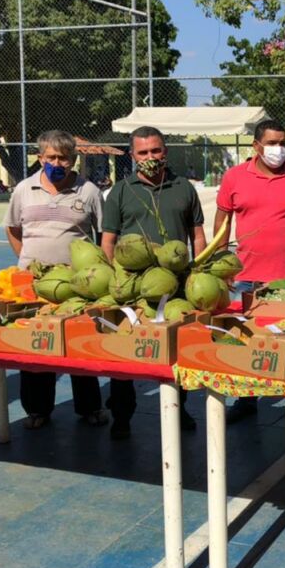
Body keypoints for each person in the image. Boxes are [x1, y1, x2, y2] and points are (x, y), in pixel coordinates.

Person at [102, 126, 205, 439]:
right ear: (132, 155)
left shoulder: (183, 188)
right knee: (123, 353)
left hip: (174, 285)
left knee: (176, 350)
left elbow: (197, 235)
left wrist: (199, 271)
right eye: (143, 152)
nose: (150, 157)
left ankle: (179, 406)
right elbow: (108, 241)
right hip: (133, 286)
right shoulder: (120, 190)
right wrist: (115, 279)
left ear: (166, 152)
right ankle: (121, 415)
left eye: (156, 151)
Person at [4, 130, 109, 431]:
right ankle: (37, 410)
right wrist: (25, 258)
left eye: (63, 157)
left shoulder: (88, 191)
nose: (56, 162)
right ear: (40, 157)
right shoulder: (24, 189)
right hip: (32, 283)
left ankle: (89, 407)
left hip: (77, 283)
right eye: (50, 157)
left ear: (73, 159)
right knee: (33, 346)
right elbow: (12, 228)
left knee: (79, 344)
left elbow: (103, 235)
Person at [214, 119, 285, 423]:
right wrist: (220, 264)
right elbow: (222, 221)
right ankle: (246, 400)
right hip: (245, 277)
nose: (278, 149)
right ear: (256, 146)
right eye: (271, 143)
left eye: (282, 142)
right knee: (245, 341)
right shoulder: (234, 178)